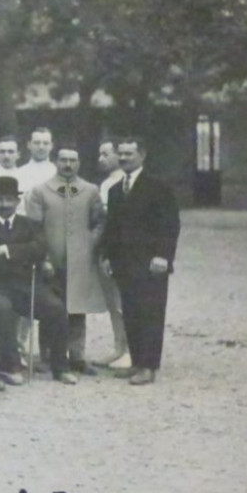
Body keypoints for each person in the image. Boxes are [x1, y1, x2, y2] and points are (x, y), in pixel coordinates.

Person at [0, 175, 64, 385]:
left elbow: (39, 249)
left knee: (56, 308)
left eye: (9, 200)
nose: (4, 205)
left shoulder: (30, 225)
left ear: (18, 202)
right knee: (2, 310)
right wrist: (23, 255)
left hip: (25, 284)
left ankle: (60, 367)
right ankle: (9, 366)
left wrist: (7, 250)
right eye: (0, 200)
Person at [101, 137, 181, 385]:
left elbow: (170, 225)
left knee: (151, 313)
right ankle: (136, 361)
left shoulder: (158, 187)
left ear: (142, 155)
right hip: (124, 263)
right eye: (121, 154)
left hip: (151, 263)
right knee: (131, 312)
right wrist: (107, 256)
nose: (124, 158)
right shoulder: (115, 190)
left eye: (129, 154)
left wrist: (163, 256)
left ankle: (149, 366)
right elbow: (112, 228)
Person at [26, 145, 108, 376]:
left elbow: (99, 222)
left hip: (80, 261)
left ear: (79, 163)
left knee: (77, 307)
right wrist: (44, 258)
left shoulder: (90, 191)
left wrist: (88, 244)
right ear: (56, 162)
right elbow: (34, 229)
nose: (68, 165)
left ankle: (77, 356)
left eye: (73, 160)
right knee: (50, 307)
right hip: (51, 261)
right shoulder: (40, 191)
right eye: (63, 160)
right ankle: (47, 355)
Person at [93, 140, 132, 369]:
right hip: (106, 247)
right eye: (100, 154)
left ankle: (130, 349)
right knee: (113, 302)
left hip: (122, 249)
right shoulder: (107, 183)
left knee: (125, 301)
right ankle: (119, 346)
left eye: (106, 154)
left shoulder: (124, 183)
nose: (101, 159)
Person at [14, 126, 57, 204]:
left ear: (51, 146)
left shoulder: (58, 173)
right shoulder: (18, 174)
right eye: (37, 143)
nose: (41, 147)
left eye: (45, 143)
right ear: (29, 145)